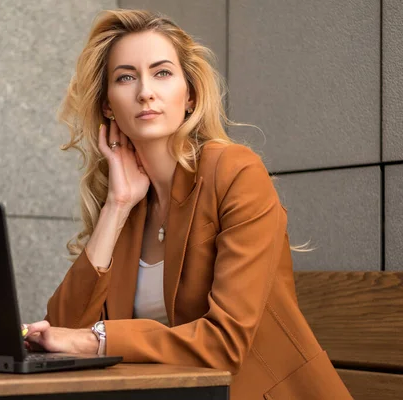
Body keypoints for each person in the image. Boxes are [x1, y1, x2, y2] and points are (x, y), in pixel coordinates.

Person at [22, 9, 353, 400]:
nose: (145, 91)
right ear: (108, 105)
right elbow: (63, 328)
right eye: (126, 77)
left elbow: (224, 345)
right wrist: (116, 205)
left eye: (162, 73)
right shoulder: (131, 209)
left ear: (190, 94)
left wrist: (99, 340)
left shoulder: (235, 173)